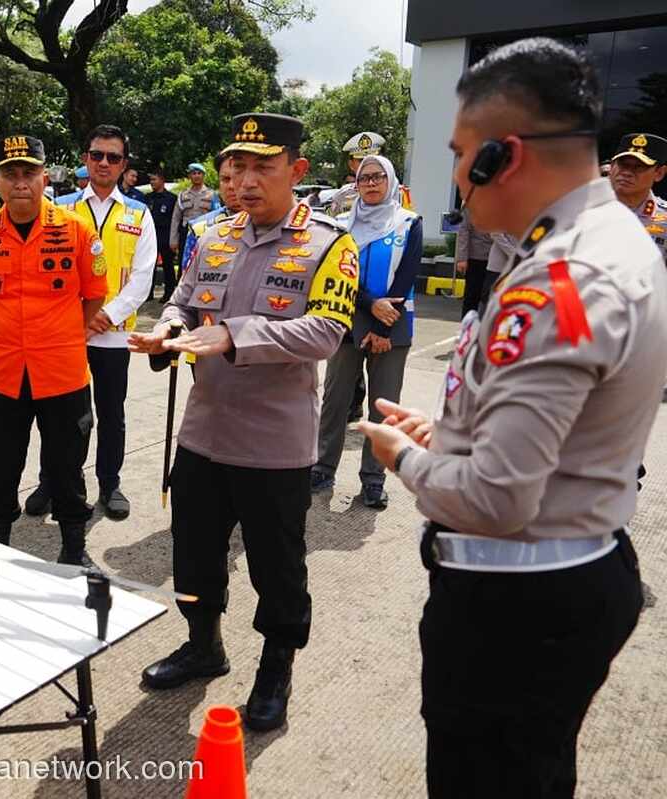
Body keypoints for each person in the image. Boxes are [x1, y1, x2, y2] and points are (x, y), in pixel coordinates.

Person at [358, 39, 662, 797]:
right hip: (566, 573)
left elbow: (496, 498)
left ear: (504, 156)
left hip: (516, 606)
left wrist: (405, 457)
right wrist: (454, 436)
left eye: (463, 152)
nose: (458, 173)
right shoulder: (606, 236)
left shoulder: (561, 279)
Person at [131, 113, 360, 732]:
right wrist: (169, 329)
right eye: (239, 167)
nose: (248, 180)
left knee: (277, 567)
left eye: (265, 165)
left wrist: (232, 334)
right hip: (205, 434)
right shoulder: (213, 237)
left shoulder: (329, 244)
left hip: (275, 446)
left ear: (297, 171)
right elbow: (183, 299)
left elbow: (326, 331)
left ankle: (276, 668)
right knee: (195, 555)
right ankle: (203, 645)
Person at [0, 134, 108, 564]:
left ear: (45, 177)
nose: (20, 182)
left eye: (29, 172)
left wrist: (62, 334)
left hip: (62, 370)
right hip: (4, 373)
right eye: (11, 174)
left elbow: (95, 293)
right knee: (1, 465)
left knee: (66, 465)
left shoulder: (78, 230)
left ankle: (74, 548)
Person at [22, 125, 156, 521]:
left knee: (111, 414)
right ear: (85, 158)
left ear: (124, 166)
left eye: (113, 158)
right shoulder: (58, 208)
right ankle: (51, 480)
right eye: (97, 155)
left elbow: (143, 276)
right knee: (56, 416)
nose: (103, 163)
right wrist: (76, 319)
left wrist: (105, 315)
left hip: (113, 335)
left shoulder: (138, 213)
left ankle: (109, 484)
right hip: (64, 336)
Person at [311, 155, 421, 509]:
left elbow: (406, 276)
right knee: (335, 400)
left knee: (383, 406)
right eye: (364, 178)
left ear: (390, 181)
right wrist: (370, 304)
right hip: (347, 319)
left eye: (378, 177)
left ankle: (374, 479)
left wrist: (380, 323)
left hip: (393, 325)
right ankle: (323, 467)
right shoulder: (341, 226)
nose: (371, 184)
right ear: (355, 184)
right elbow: (336, 275)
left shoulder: (408, 223)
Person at [177, 151, 244, 277]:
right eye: (225, 179)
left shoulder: (272, 223)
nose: (231, 186)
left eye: (237, 177)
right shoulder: (199, 228)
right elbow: (187, 281)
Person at [608, 132, 667, 259]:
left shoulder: (664, 219)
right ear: (612, 166)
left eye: (639, 167)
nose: (627, 173)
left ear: (659, 173)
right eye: (623, 164)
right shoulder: (583, 210)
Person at [169, 162, 218, 258]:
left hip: (205, 233)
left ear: (203, 175)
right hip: (186, 233)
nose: (196, 176)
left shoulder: (212, 195)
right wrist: (173, 240)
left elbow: (217, 217)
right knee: (184, 263)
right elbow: (176, 218)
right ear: (189, 176)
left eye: (199, 173)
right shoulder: (182, 195)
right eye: (193, 173)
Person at [144, 166, 178, 301]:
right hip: (150, 237)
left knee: (168, 266)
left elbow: (175, 219)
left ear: (162, 180)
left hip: (166, 236)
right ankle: (148, 293)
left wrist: (174, 239)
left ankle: (169, 293)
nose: (152, 182)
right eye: (150, 180)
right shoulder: (148, 198)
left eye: (154, 179)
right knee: (149, 266)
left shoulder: (171, 198)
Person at [453, 208, 492, 318]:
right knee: (472, 295)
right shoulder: (472, 205)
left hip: (496, 257)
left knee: (489, 296)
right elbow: (463, 231)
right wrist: (462, 258)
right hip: (476, 256)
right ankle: (467, 325)